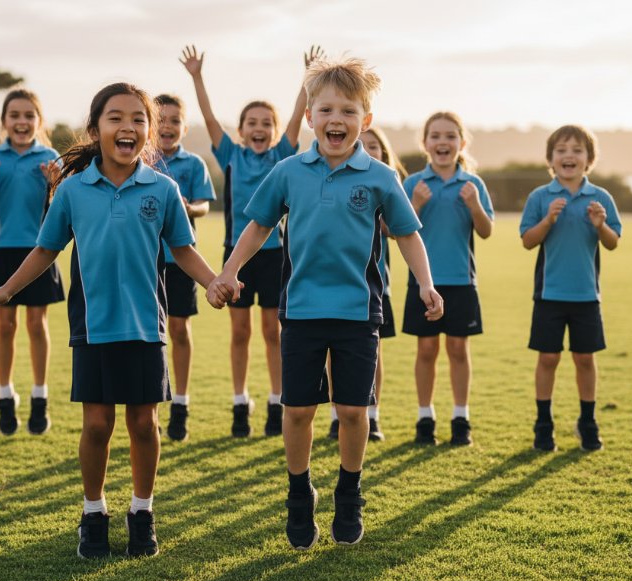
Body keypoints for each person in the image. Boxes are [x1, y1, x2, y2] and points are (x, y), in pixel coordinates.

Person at [0, 83, 228, 559]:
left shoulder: (164, 188)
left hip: (145, 328)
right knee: (95, 426)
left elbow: (183, 249)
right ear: (96, 129)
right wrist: (6, 289)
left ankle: (142, 511)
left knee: (144, 425)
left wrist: (213, 281)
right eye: (115, 118)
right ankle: (93, 513)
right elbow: (46, 249)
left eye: (137, 119)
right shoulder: (72, 189)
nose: (126, 126)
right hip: (92, 327)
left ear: (149, 133)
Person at [207, 57, 443, 549]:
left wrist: (425, 284)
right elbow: (257, 226)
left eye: (349, 111)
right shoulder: (287, 170)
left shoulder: (379, 177)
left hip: (358, 313)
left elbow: (407, 236)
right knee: (297, 412)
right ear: (310, 116)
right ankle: (299, 495)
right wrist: (229, 270)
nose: (337, 120)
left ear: (366, 121)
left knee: (353, 412)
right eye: (327, 109)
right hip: (301, 311)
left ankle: (349, 492)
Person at [180, 44, 322, 437]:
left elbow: (298, 115)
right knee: (239, 333)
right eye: (251, 123)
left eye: (265, 123)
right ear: (241, 130)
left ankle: (277, 403)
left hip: (276, 255)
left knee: (272, 333)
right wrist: (196, 77)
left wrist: (308, 76)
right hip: (236, 257)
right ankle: (241, 403)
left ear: (274, 132)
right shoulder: (229, 154)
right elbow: (208, 117)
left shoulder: (282, 155)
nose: (258, 129)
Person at [519, 124, 621, 452]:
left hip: (586, 296)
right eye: (561, 150)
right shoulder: (540, 197)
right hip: (549, 294)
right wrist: (548, 219)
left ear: (589, 159)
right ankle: (543, 423)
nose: (569, 156)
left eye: (577, 150)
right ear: (551, 158)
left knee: (585, 359)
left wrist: (600, 224)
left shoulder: (600, 197)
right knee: (548, 357)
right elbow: (527, 241)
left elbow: (613, 243)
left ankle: (587, 422)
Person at [0, 88, 64, 436]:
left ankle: (39, 397)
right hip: (2, 251)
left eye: (29, 115)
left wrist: (54, 183)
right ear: (4, 122)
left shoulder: (51, 157)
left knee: (37, 325)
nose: (22, 122)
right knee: (5, 327)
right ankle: (5, 396)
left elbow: (63, 208)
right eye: (15, 115)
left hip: (40, 251)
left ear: (39, 121)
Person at [402, 112, 495, 446]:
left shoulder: (473, 184)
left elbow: (485, 231)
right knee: (426, 349)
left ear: (462, 142)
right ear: (425, 143)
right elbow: (394, 230)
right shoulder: (414, 183)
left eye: (450, 136)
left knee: (458, 348)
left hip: (461, 281)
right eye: (435, 136)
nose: (443, 142)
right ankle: (425, 417)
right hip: (423, 281)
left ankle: (461, 417)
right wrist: (415, 203)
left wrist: (473, 205)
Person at [326, 127, 408, 442]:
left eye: (376, 147)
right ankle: (337, 415)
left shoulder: (384, 183)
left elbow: (395, 229)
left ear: (384, 155)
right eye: (365, 145)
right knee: (334, 353)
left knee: (374, 354)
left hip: (376, 288)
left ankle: (371, 414)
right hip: (338, 285)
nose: (369, 150)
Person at [151, 93, 217, 442]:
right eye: (161, 119)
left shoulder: (193, 164)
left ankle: (181, 404)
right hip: (146, 261)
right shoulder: (140, 160)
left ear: (184, 127)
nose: (167, 126)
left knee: (178, 330)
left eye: (175, 120)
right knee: (150, 337)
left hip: (179, 260)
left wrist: (187, 208)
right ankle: (153, 406)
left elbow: (205, 205)